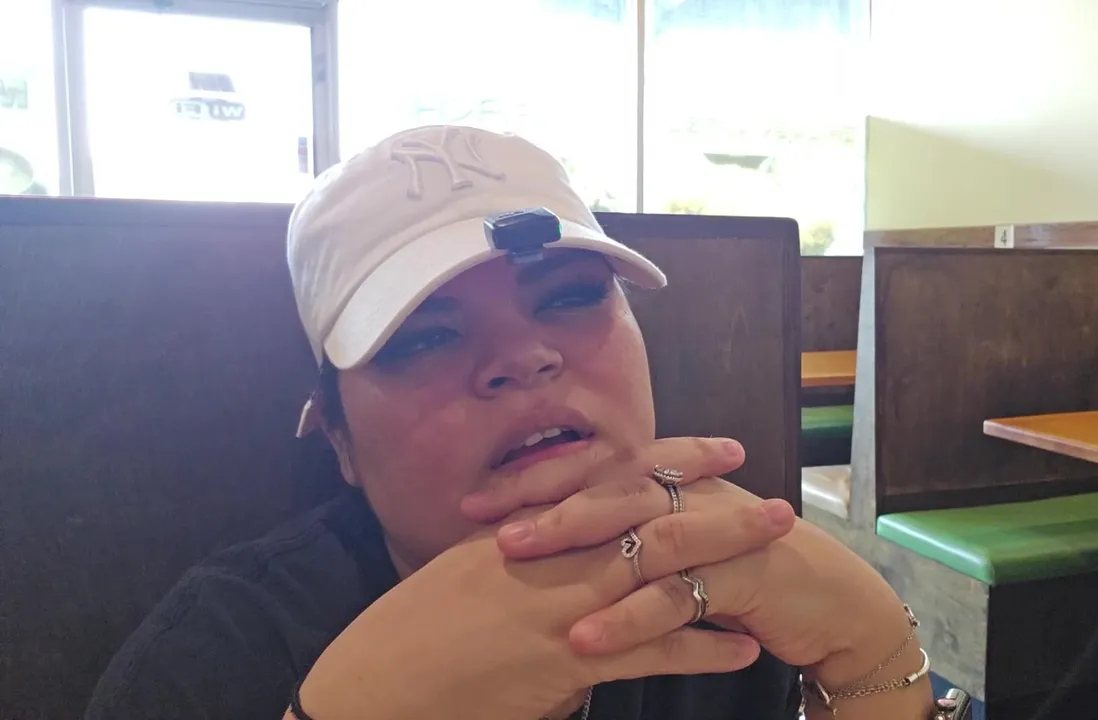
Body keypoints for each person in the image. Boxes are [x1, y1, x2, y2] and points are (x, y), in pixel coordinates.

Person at [84, 125, 950, 720]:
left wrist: (868, 646)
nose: (524, 357)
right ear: (339, 441)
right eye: (423, 337)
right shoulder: (216, 655)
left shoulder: (729, 592)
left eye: (570, 296)